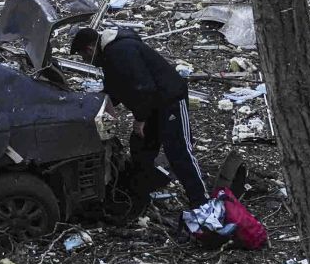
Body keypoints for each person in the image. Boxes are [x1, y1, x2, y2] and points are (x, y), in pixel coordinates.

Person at [71, 25, 209, 209]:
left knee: (179, 151)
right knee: (140, 148)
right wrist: (96, 105)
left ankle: (202, 201)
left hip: (169, 100)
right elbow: (115, 88)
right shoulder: (109, 55)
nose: (85, 60)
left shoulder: (121, 52)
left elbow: (143, 86)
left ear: (89, 49)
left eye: (84, 56)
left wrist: (141, 119)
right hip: (151, 104)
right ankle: (142, 192)